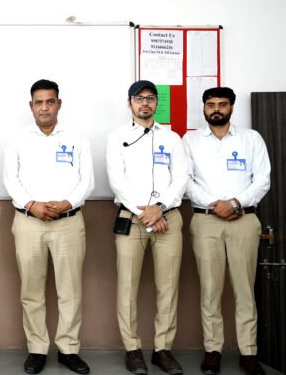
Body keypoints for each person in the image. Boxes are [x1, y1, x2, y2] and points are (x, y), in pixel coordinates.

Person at [2, 79, 93, 375]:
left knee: (70, 290)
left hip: (69, 223)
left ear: (58, 104)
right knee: (31, 291)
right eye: (39, 102)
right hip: (29, 222)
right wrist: (32, 204)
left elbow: (87, 180)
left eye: (50, 101)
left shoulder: (77, 137)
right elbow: (10, 179)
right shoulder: (17, 139)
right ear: (31, 106)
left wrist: (67, 203)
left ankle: (68, 349)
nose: (44, 107)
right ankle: (37, 349)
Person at [182, 87, 271, 375]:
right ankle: (213, 350)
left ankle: (248, 352)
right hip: (206, 220)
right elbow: (186, 181)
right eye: (211, 104)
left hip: (243, 220)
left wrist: (234, 203)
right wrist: (216, 205)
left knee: (245, 289)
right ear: (204, 108)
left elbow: (262, 180)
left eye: (222, 104)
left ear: (232, 107)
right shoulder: (190, 140)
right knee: (210, 289)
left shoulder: (251, 138)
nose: (216, 109)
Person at [105, 80, 189, 375]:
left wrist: (160, 208)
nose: (145, 103)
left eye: (150, 98)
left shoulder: (172, 138)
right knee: (127, 285)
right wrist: (148, 214)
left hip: (168, 219)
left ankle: (162, 349)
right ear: (129, 103)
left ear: (156, 103)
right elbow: (117, 181)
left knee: (168, 285)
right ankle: (132, 349)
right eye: (139, 98)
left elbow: (181, 177)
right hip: (133, 219)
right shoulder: (117, 138)